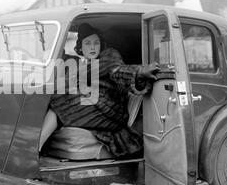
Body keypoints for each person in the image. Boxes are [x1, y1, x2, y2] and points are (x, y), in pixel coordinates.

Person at [39, 22, 160, 159]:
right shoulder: (80, 64)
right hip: (93, 105)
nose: (92, 47)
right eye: (88, 43)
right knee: (52, 96)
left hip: (110, 109)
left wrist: (139, 72)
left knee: (60, 99)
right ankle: (38, 146)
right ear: (80, 47)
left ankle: (36, 147)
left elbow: (117, 70)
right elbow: (61, 59)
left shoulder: (108, 57)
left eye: (96, 43)